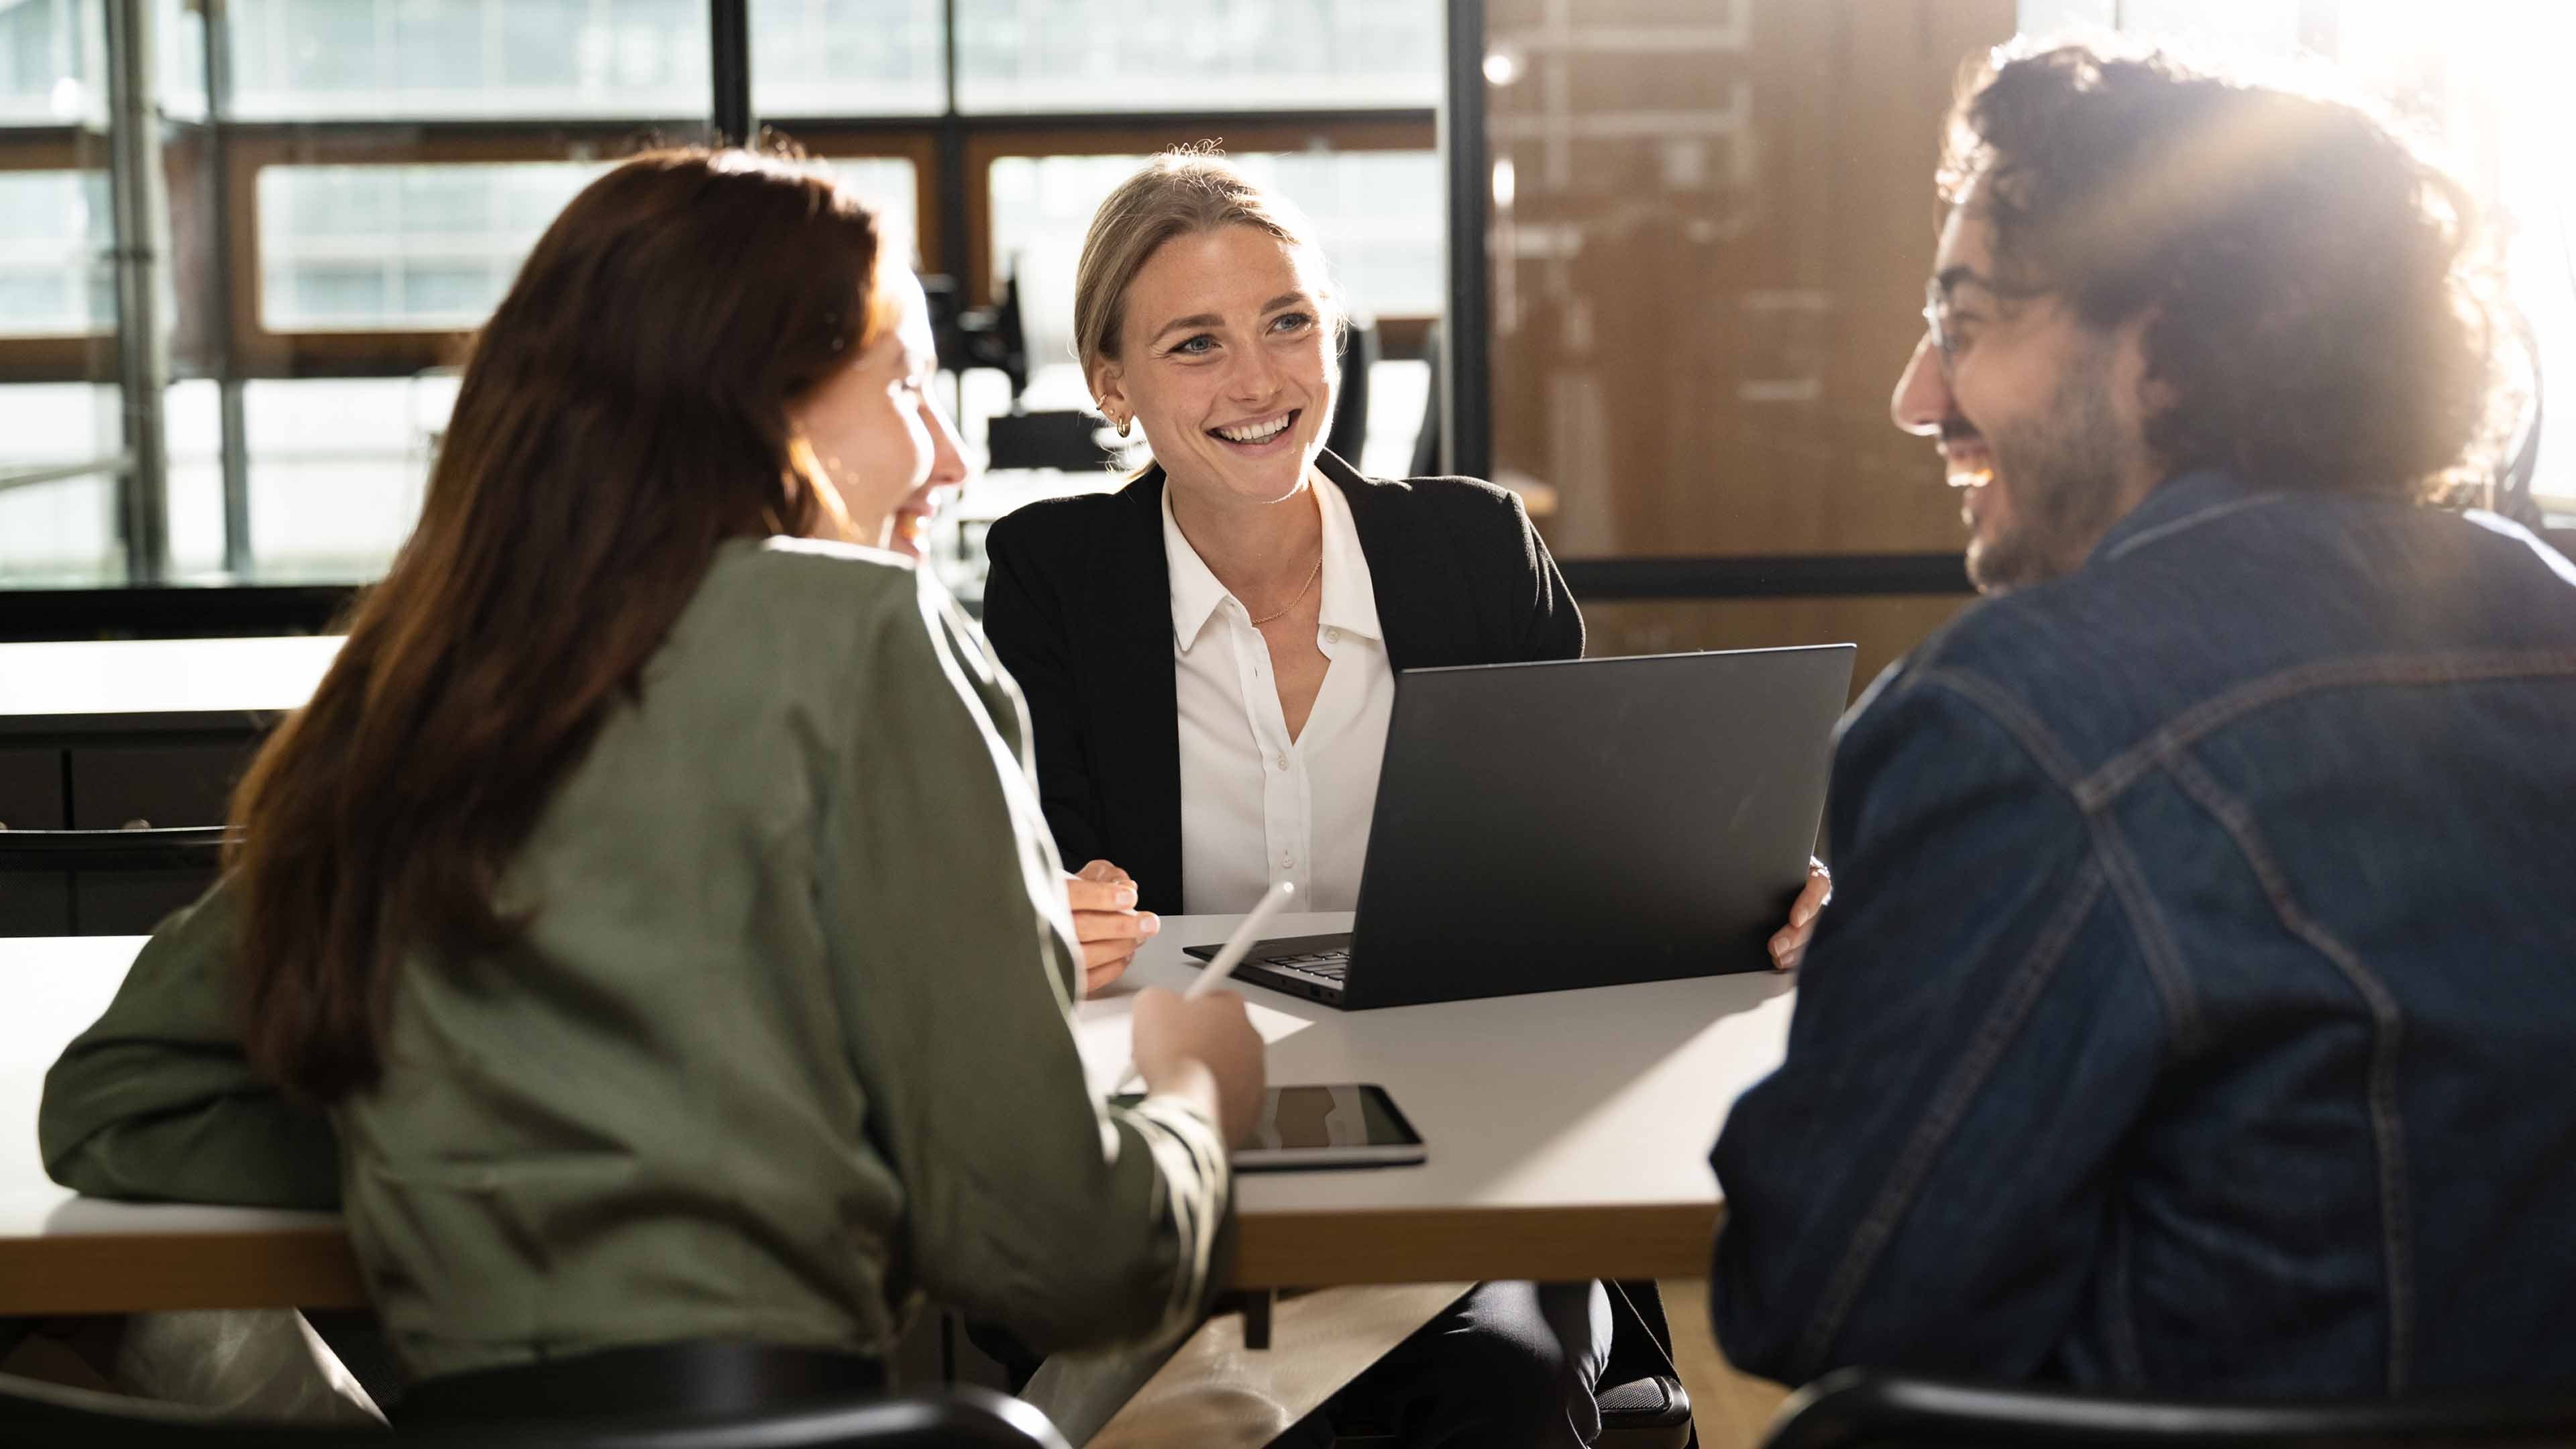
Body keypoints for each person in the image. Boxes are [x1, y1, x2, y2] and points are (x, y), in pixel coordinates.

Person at [38, 146, 1265, 1415]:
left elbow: (118, 1106)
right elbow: (1072, 1261)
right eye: (906, 389)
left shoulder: (422, 683)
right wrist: (1194, 1098)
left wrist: (475, 1158)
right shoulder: (870, 631)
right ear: (750, 403)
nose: (949, 458)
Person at [1707, 40, 2576, 1393]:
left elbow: (1817, 1295)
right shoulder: (2551, 618)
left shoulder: (2015, 718)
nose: (1914, 399)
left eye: (1967, 321)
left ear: (2165, 350)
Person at [981, 150, 1817, 1449]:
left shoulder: (1471, 548)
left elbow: (1596, 865)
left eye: (1288, 323)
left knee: (1491, 1387)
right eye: (1195, 344)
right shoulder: (1054, 575)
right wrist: (1050, 911)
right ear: (1111, 385)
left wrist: (1752, 895)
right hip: (1188, 1172)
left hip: (1474, 1178)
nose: (1258, 381)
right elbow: (1029, 884)